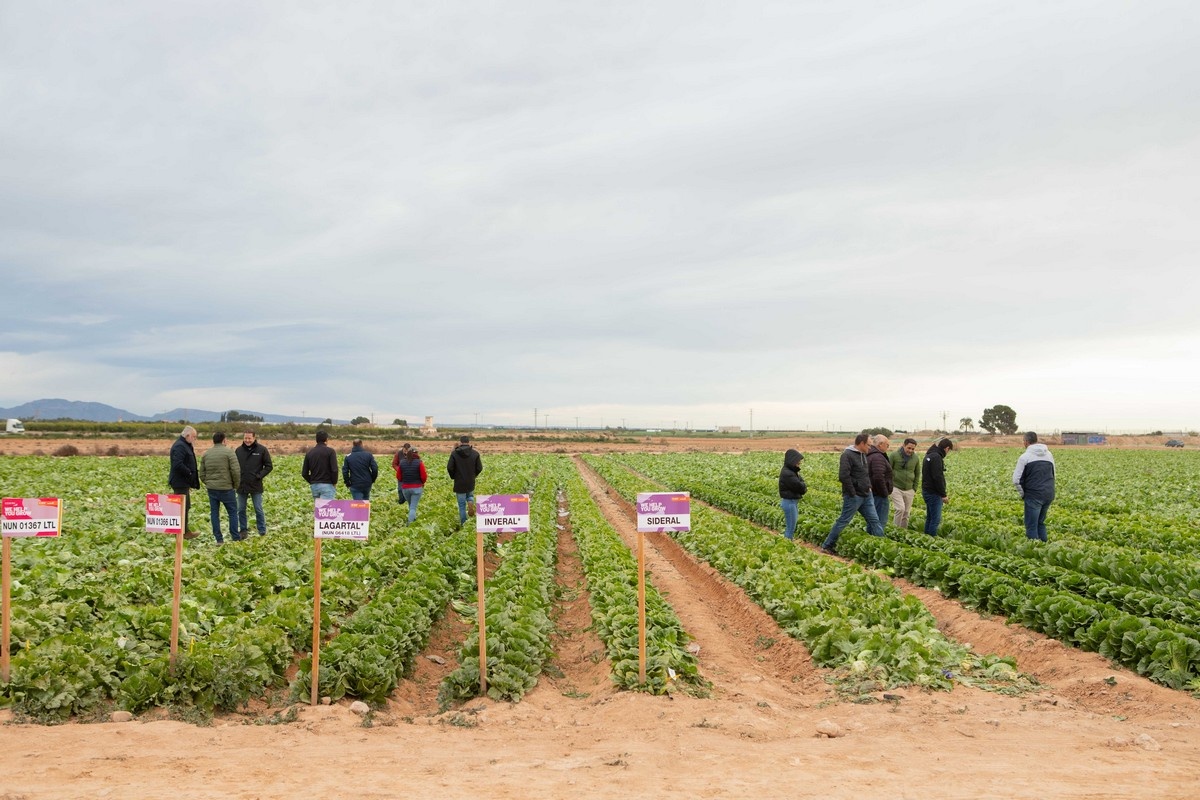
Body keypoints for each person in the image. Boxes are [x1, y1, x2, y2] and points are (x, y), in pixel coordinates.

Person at [820, 433, 883, 554]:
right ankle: (827, 545)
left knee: (874, 520)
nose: (870, 448)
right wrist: (853, 492)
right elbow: (843, 476)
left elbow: (865, 474)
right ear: (862, 443)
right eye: (868, 445)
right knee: (844, 520)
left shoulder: (863, 455)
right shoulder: (847, 455)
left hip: (866, 495)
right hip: (854, 496)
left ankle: (882, 546)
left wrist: (868, 486)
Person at [198, 431, 241, 544]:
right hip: (227, 488)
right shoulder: (229, 452)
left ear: (213, 440)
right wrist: (235, 485)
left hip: (212, 489)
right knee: (232, 512)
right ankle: (235, 537)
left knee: (214, 513)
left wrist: (208, 482)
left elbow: (202, 473)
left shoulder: (207, 454)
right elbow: (236, 471)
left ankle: (219, 539)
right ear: (224, 440)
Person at [1012, 431, 1056, 542]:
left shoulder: (1025, 457)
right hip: (1048, 493)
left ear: (1026, 442)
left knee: (1031, 526)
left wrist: (1024, 494)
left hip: (1033, 495)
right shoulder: (1049, 455)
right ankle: (1044, 548)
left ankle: (1035, 551)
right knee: (1040, 523)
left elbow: (1016, 480)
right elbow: (1053, 474)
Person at [235, 430, 273, 537]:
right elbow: (234, 467)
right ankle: (243, 530)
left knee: (258, 508)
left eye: (249, 438)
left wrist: (259, 476)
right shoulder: (238, 451)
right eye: (245, 438)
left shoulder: (262, 450)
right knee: (241, 509)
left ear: (254, 438)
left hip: (255, 484)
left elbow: (269, 466)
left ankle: (262, 530)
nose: (247, 440)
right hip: (241, 484)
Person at [168, 426, 201, 540]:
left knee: (185, 506)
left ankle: (183, 530)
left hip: (183, 482)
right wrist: (189, 473)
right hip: (180, 482)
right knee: (182, 507)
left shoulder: (185, 445)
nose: (194, 439)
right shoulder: (180, 446)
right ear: (187, 436)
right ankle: (182, 532)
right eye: (193, 436)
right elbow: (177, 464)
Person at [447, 435, 483, 525]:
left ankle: (464, 523)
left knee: (462, 504)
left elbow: (449, 467)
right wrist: (474, 475)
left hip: (459, 482)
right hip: (470, 480)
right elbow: (479, 468)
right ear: (469, 442)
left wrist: (453, 476)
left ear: (460, 442)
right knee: (470, 495)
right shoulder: (475, 453)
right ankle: (470, 502)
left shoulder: (454, 453)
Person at [921, 437, 954, 536]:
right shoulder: (936, 457)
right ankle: (931, 540)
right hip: (933, 492)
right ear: (947, 448)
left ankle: (926, 539)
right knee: (935, 520)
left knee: (930, 518)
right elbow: (937, 477)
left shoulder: (929, 454)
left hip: (926, 490)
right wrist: (943, 495)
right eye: (949, 450)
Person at [888, 438, 921, 529]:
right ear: (904, 446)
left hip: (909, 489)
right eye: (909, 448)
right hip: (896, 487)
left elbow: (917, 473)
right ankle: (895, 529)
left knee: (906, 512)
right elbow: (888, 471)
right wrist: (889, 485)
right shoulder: (894, 455)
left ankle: (903, 531)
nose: (910, 450)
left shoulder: (915, 458)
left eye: (913, 449)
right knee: (900, 509)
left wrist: (914, 488)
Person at [777, 449, 807, 541]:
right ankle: (787, 544)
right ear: (792, 460)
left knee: (791, 526)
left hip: (791, 502)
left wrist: (802, 484)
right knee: (790, 528)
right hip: (789, 503)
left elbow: (801, 483)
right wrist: (803, 485)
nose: (799, 464)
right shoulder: (788, 473)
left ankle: (788, 542)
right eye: (798, 462)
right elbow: (801, 487)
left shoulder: (791, 471)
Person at [302, 430, 339, 500]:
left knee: (318, 509)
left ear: (316, 440)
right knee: (326, 509)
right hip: (327, 485)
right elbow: (334, 470)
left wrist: (312, 481)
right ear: (326, 439)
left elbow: (304, 473)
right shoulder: (330, 451)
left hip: (314, 486)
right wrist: (334, 482)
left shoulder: (309, 453)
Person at [866, 435, 893, 528]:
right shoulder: (878, 457)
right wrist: (884, 493)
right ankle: (877, 538)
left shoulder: (870, 454)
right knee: (880, 521)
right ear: (881, 444)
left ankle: (871, 538)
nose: (887, 447)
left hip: (872, 492)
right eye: (887, 445)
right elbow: (878, 477)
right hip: (879, 494)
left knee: (873, 520)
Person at [398, 448, 428, 524]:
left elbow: (398, 476)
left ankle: (413, 519)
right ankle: (410, 523)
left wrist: (403, 481)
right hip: (416, 488)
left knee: (411, 506)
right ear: (417, 454)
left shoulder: (402, 462)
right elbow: (424, 476)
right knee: (413, 507)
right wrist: (422, 483)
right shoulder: (419, 462)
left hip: (405, 488)